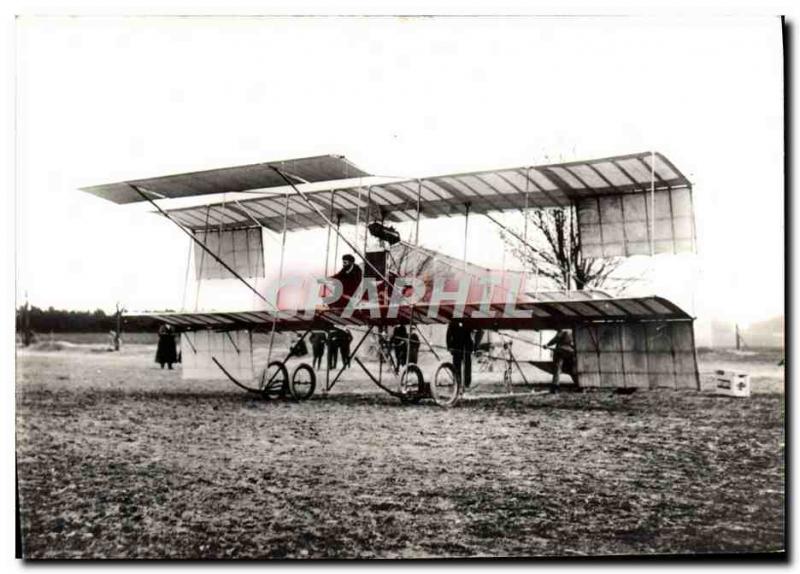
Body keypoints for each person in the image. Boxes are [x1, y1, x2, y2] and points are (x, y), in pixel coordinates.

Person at [545, 329, 575, 393]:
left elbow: (556, 339)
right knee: (572, 369)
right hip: (571, 352)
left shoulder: (563, 330)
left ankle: (555, 387)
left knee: (557, 369)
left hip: (561, 351)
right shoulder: (573, 330)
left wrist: (547, 345)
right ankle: (580, 384)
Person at [446, 320, 473, 388]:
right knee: (456, 365)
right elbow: (448, 334)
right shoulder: (453, 322)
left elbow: (473, 334)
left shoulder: (468, 322)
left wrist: (473, 347)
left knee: (467, 365)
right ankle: (458, 382)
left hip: (466, 347)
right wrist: (449, 346)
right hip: (456, 347)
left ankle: (467, 383)